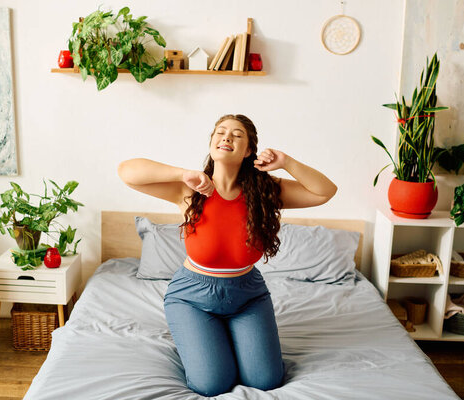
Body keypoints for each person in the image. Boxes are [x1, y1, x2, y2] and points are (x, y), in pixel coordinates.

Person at [117, 114, 337, 397]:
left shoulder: (266, 192)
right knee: (211, 385)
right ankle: (205, 334)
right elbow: (126, 171)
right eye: (220, 132)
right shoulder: (189, 190)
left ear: (248, 151)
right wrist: (181, 173)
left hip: (248, 297)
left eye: (237, 134)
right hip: (191, 298)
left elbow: (325, 192)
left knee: (266, 380)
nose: (226, 137)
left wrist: (287, 162)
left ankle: (226, 335)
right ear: (211, 143)